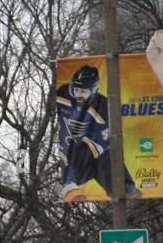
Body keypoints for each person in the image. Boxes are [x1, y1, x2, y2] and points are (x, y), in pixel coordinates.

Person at [56, 64, 138, 203]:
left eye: (83, 91)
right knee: (76, 147)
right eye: (76, 90)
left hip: (90, 156)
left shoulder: (104, 107)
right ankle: (69, 183)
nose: (78, 95)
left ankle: (126, 188)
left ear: (93, 90)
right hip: (66, 156)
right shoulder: (62, 94)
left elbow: (105, 140)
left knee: (102, 155)